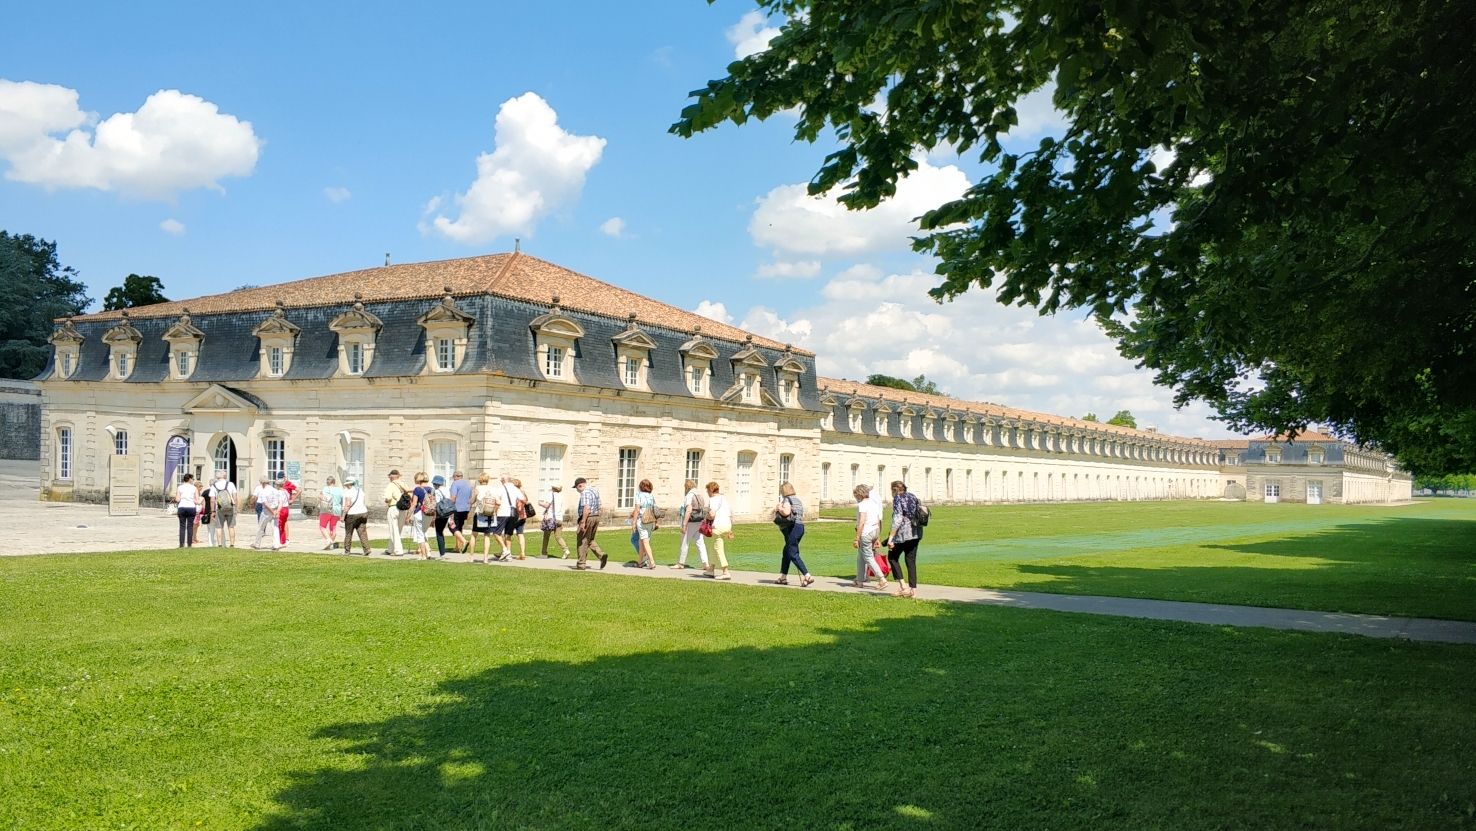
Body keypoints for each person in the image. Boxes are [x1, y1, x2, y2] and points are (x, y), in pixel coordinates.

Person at [885, 480, 922, 598]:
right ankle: (913, 590)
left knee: (892, 557)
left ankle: (903, 586)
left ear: (895, 490)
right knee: (910, 560)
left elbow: (897, 519)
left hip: (903, 534)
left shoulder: (898, 499)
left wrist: (891, 538)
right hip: (916, 532)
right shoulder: (913, 497)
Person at [773, 482, 812, 586]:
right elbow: (802, 515)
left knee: (792, 553)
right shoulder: (798, 501)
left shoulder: (787, 500)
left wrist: (778, 508)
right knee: (786, 551)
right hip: (800, 527)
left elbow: (786, 512)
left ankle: (807, 575)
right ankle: (783, 577)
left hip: (791, 528)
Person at [852, 484, 889, 590]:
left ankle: (881, 579)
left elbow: (862, 522)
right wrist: (877, 537)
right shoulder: (874, 504)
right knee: (861, 556)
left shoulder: (862, 505)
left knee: (868, 557)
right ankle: (859, 579)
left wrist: (857, 538)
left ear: (859, 494)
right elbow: (878, 520)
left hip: (866, 532)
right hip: (874, 531)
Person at [674, 478, 711, 573]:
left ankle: (681, 563)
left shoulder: (690, 496)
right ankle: (705, 563)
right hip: (699, 520)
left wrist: (684, 524)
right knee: (700, 542)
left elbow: (689, 510)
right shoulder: (700, 495)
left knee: (685, 541)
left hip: (691, 520)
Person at [572, 477, 607, 570]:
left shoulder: (585, 493)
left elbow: (586, 508)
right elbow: (601, 508)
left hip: (588, 517)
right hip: (595, 516)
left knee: (582, 539)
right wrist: (598, 520)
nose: (577, 490)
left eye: (576, 488)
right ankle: (601, 555)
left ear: (580, 485)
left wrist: (583, 521)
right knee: (590, 539)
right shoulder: (595, 491)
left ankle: (581, 564)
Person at [705, 481, 733, 580]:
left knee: (719, 549)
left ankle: (725, 572)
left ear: (710, 490)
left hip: (718, 527)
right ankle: (711, 569)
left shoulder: (713, 499)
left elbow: (712, 514)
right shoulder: (725, 500)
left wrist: (707, 517)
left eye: (707, 490)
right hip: (727, 526)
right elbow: (731, 515)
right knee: (714, 547)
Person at [496, 475, 527, 560]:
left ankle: (506, 550)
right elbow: (524, 500)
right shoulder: (517, 490)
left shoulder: (503, 488)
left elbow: (497, 500)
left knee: (498, 533)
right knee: (512, 534)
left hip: (505, 512)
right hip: (516, 514)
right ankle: (515, 554)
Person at [470, 473, 500, 563]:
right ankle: (486, 558)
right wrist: (494, 510)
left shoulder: (478, 488)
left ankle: (471, 557)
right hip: (490, 514)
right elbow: (498, 502)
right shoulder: (493, 489)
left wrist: (474, 497)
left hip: (479, 513)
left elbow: (472, 501)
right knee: (487, 536)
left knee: (474, 535)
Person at [631, 479, 658, 570]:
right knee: (641, 541)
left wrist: (633, 523)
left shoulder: (639, 495)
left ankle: (652, 561)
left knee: (645, 542)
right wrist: (656, 522)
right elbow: (655, 509)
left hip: (642, 520)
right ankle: (640, 562)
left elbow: (637, 509)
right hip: (651, 520)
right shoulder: (651, 496)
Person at [341, 477, 371, 555]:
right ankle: (366, 549)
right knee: (362, 532)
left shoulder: (349, 492)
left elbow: (348, 504)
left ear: (349, 484)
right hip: (363, 512)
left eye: (347, 484)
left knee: (349, 532)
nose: (346, 486)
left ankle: (347, 551)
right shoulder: (360, 491)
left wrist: (343, 515)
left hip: (352, 514)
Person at [538, 484, 570, 558]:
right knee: (558, 536)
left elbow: (546, 505)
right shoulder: (561, 496)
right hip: (559, 518)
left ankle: (544, 553)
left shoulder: (551, 495)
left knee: (546, 536)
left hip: (551, 518)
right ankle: (565, 550)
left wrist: (540, 504)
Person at [207, 471, 238, 548]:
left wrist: (213, 511)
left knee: (219, 527)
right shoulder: (230, 484)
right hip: (230, 507)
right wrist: (236, 509)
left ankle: (220, 544)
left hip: (219, 508)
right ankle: (232, 544)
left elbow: (212, 500)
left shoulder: (214, 486)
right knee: (231, 526)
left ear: (217, 477)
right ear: (225, 476)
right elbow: (235, 498)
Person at [383, 470, 410, 556]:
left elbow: (388, 498)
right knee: (398, 530)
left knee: (393, 530)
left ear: (392, 476)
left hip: (394, 507)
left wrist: (386, 500)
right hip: (403, 509)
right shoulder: (404, 485)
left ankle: (398, 550)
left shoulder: (391, 485)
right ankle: (391, 549)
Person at [251, 475, 281, 550]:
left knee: (261, 527)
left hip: (267, 511)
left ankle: (257, 544)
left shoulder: (263, 491)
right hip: (275, 509)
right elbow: (280, 502)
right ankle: (276, 545)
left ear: (262, 483)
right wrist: (277, 511)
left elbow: (265, 503)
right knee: (275, 528)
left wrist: (272, 511)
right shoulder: (276, 491)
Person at [449, 470, 473, 555]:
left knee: (452, 526)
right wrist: (468, 511)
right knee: (459, 528)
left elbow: (453, 497)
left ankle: (464, 541)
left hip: (457, 508)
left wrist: (449, 508)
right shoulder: (468, 485)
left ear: (456, 476)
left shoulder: (455, 483)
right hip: (465, 509)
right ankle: (457, 547)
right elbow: (470, 500)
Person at [430, 474, 454, 558]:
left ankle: (442, 552)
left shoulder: (436, 492)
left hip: (440, 513)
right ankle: (442, 550)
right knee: (441, 531)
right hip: (446, 512)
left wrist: (433, 517)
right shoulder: (447, 490)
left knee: (439, 533)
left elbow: (436, 503)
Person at [318, 475, 344, 550]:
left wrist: (320, 497)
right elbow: (342, 500)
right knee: (333, 527)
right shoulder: (339, 490)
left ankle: (329, 541)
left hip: (327, 510)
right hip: (337, 510)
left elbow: (322, 498)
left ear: (327, 482)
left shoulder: (326, 488)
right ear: (334, 482)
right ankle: (331, 544)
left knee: (322, 526)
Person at [410, 472, 432, 560]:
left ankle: (423, 555)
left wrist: (408, 516)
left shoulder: (417, 490)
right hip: (429, 513)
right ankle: (428, 551)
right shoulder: (432, 489)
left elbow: (414, 504)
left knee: (420, 534)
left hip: (420, 512)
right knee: (423, 532)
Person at [174, 473, 199, 548]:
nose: (193, 480)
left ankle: (181, 544)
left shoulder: (180, 487)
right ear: (190, 479)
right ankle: (189, 544)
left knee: (182, 526)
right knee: (190, 526)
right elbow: (197, 499)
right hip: (191, 507)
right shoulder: (194, 488)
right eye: (192, 479)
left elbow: (178, 499)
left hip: (182, 507)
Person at [276, 474, 298, 548]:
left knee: (280, 525)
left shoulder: (281, 491)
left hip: (282, 508)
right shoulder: (286, 491)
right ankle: (283, 540)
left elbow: (280, 502)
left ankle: (282, 541)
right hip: (286, 508)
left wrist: (292, 500)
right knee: (283, 523)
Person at [193, 482, 209, 547]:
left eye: (202, 486)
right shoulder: (194, 493)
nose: (201, 487)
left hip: (198, 511)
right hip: (194, 510)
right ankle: (192, 538)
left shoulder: (199, 493)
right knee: (194, 525)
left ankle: (195, 538)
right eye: (200, 486)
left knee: (197, 525)